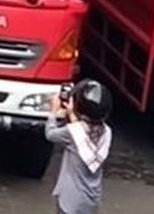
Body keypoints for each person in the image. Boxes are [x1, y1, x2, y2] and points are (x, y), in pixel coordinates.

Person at [45, 79, 113, 214]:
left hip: (70, 200)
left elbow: (50, 134)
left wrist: (53, 112)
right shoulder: (107, 132)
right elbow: (84, 134)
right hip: (90, 201)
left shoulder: (72, 132)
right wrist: (71, 114)